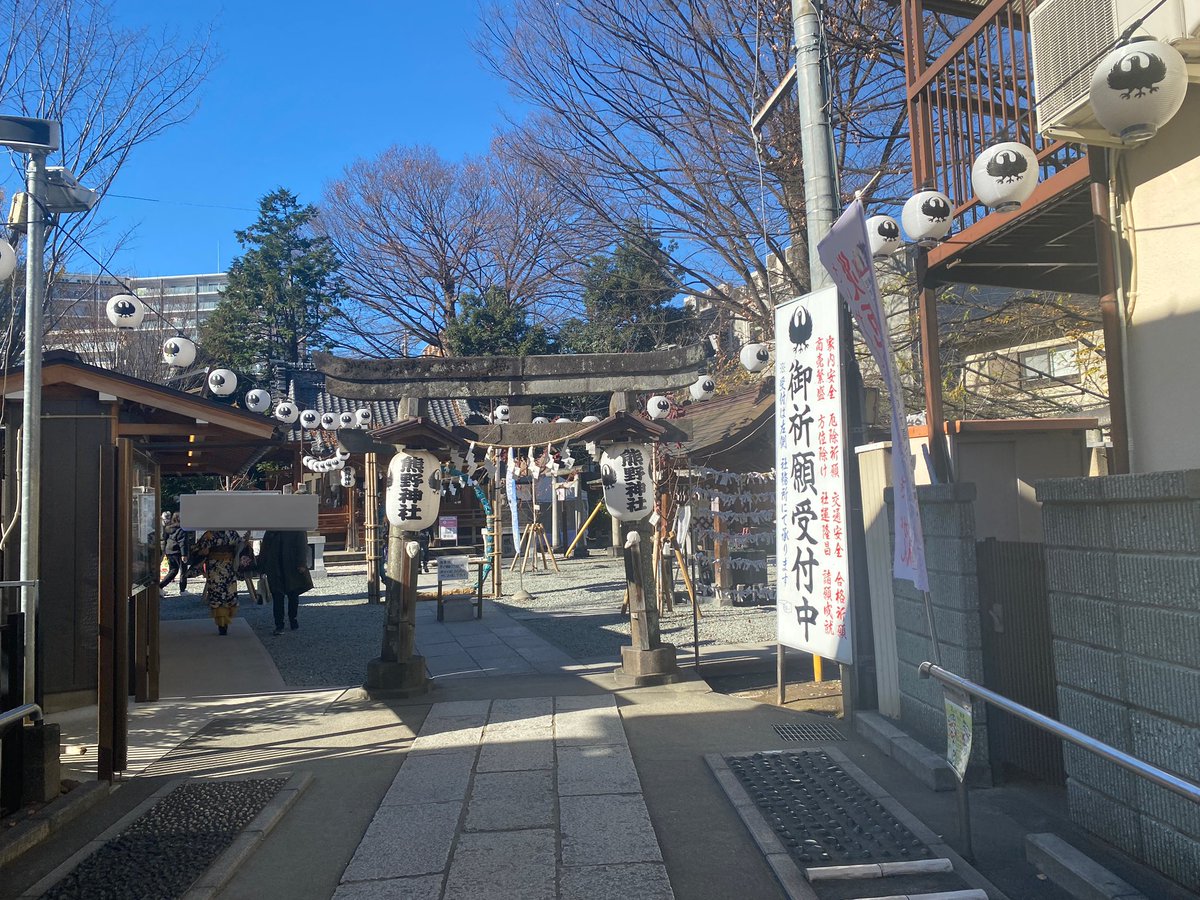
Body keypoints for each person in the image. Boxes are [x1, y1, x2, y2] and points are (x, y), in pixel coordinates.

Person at [259, 529, 312, 635]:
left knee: (293, 594)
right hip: (274, 566)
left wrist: (301, 563)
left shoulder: (296, 528)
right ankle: (279, 624)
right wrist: (262, 566)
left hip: (291, 565)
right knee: (277, 596)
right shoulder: (271, 530)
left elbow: (302, 545)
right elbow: (265, 548)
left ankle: (293, 619)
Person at [192, 527, 241, 635]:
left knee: (218, 595)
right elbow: (240, 546)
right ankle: (223, 624)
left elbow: (198, 550)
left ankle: (222, 624)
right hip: (227, 567)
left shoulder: (209, 534)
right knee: (227, 594)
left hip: (216, 568)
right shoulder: (232, 533)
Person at [159, 512, 188, 595]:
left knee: (173, 570)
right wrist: (184, 554)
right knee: (182, 571)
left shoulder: (168, 528)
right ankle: (182, 589)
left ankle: (160, 586)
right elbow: (182, 542)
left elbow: (164, 539)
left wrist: (164, 551)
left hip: (169, 550)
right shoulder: (182, 529)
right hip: (178, 551)